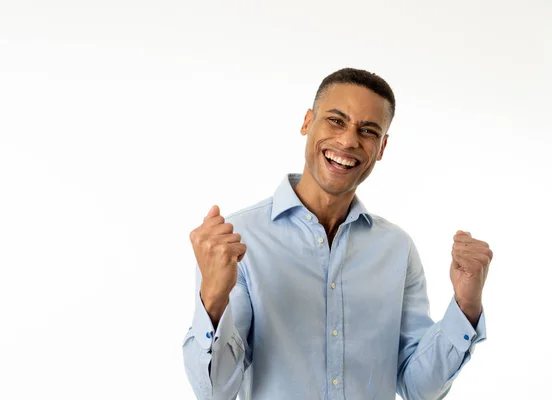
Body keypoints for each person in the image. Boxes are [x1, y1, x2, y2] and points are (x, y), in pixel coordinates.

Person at [182, 68, 493, 400]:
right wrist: (213, 300)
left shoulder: (397, 249)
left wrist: (466, 305)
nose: (348, 141)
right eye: (336, 120)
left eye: (368, 130)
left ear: (382, 147)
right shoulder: (240, 240)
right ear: (307, 122)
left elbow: (419, 387)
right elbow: (216, 391)